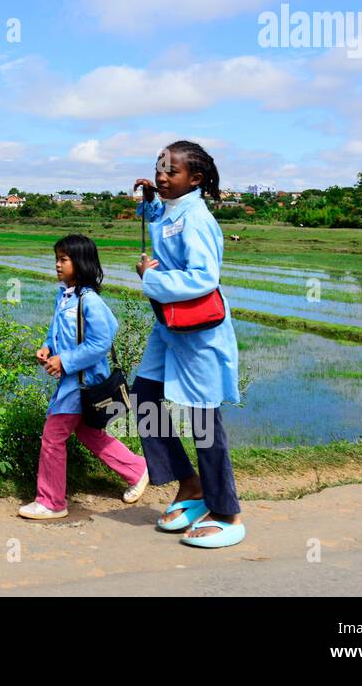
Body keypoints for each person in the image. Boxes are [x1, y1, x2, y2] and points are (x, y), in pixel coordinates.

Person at [132, 141, 246, 548]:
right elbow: (160, 218)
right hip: (169, 327)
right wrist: (149, 199)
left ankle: (226, 511)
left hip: (197, 331)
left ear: (195, 179)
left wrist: (150, 277)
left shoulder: (196, 218)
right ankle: (190, 484)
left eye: (171, 171)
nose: (162, 176)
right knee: (146, 398)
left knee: (203, 418)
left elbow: (203, 278)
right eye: (159, 168)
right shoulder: (172, 207)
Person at [18, 234, 149, 519]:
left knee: (53, 437)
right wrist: (47, 347)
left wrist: (64, 361)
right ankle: (137, 469)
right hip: (72, 381)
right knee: (89, 432)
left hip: (81, 383)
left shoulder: (89, 301)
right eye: (57, 258)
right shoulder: (64, 296)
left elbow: (102, 340)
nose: (57, 264)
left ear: (81, 263)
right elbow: (59, 332)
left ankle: (51, 501)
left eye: (64, 259)